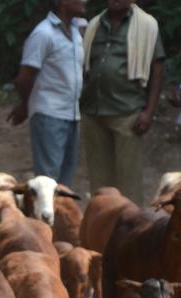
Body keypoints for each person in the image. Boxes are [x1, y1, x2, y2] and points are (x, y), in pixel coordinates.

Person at [80, 0, 165, 205]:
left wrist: (149, 112)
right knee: (99, 183)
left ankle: (131, 232)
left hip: (127, 113)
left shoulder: (147, 25)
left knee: (129, 182)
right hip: (93, 111)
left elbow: (158, 70)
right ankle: (102, 228)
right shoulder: (94, 25)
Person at [8, 0, 88, 186]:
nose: (85, 0)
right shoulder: (43, 34)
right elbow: (25, 76)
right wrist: (25, 104)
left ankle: (59, 213)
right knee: (48, 179)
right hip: (49, 113)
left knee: (65, 178)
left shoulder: (76, 31)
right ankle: (42, 214)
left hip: (71, 113)